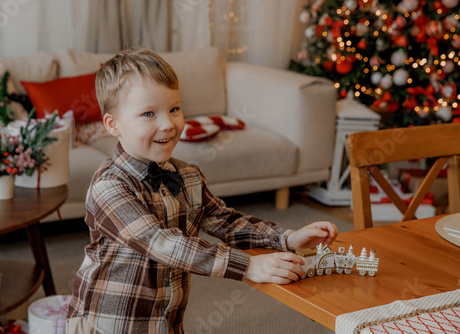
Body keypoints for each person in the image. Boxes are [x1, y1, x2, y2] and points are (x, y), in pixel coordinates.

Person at [66, 47, 338, 334]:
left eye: (174, 109)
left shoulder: (187, 175)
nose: (168, 124)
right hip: (109, 323)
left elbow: (226, 222)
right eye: (148, 113)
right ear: (113, 125)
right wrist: (248, 267)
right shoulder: (109, 186)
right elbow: (162, 244)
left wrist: (287, 238)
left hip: (166, 320)